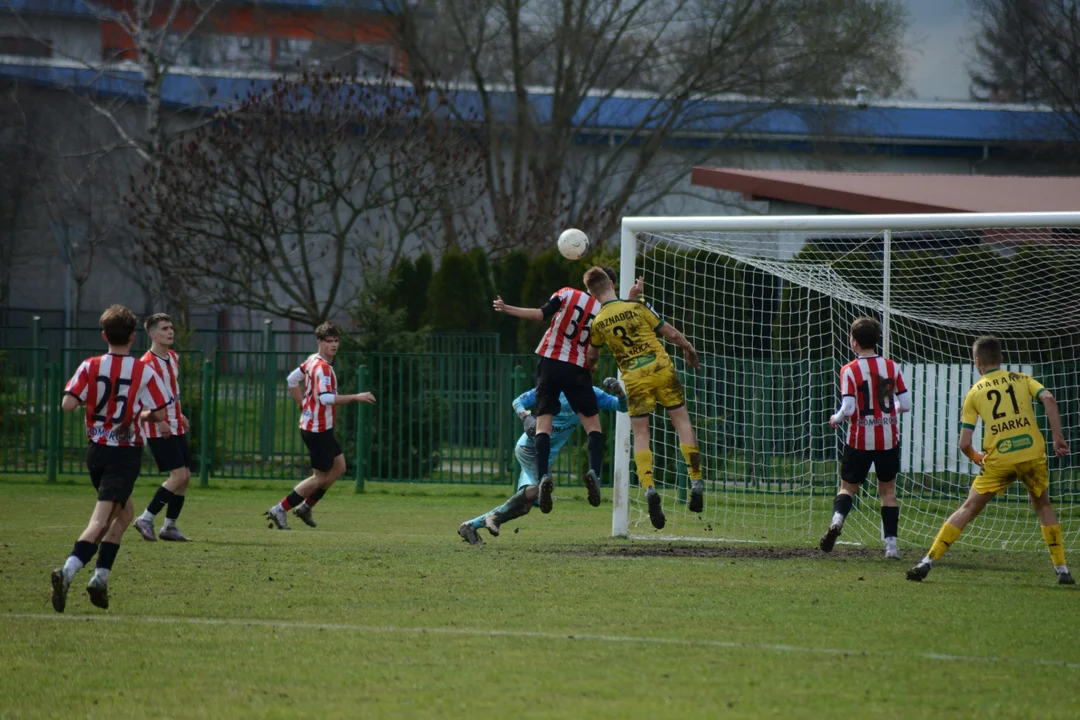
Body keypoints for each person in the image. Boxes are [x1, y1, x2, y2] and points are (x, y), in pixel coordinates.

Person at [907, 335, 1073, 584]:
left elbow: (964, 443)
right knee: (1043, 507)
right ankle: (1062, 570)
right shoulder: (1022, 379)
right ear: (1001, 359)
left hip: (999, 459)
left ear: (977, 362)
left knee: (968, 508)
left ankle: (928, 561)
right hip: (1031, 453)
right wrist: (1057, 437)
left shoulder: (974, 393)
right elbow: (1048, 399)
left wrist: (976, 457)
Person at [51, 305, 171, 612]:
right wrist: (144, 415)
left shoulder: (89, 365)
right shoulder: (143, 371)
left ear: (104, 335)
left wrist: (95, 403)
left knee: (125, 513)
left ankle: (100, 579)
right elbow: (158, 410)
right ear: (133, 337)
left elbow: (67, 404)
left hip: (96, 452)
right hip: (124, 451)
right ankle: (68, 571)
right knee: (101, 521)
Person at [583, 266, 703, 530]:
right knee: (682, 422)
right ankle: (695, 479)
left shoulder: (598, 323)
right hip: (661, 369)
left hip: (634, 378)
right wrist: (687, 347)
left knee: (640, 434)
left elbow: (592, 357)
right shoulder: (638, 307)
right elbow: (669, 332)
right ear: (611, 285)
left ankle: (649, 487)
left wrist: (589, 366)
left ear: (591, 294)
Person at [457, 379, 628, 544]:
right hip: (530, 448)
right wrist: (526, 418)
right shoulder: (551, 388)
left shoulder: (591, 393)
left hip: (547, 455)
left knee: (525, 506)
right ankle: (493, 517)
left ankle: (471, 525)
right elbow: (518, 401)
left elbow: (621, 406)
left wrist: (620, 393)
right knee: (539, 489)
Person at [492, 272, 608, 515]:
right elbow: (595, 350)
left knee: (543, 425)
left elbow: (538, 314)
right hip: (578, 368)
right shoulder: (603, 311)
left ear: (586, 284)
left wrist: (506, 308)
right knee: (593, 427)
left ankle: (544, 477)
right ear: (609, 285)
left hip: (551, 363)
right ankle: (594, 473)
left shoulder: (566, 294)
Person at [265, 322, 376, 530]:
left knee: (339, 467)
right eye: (329, 341)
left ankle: (306, 507)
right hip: (318, 430)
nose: (334, 345)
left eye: (336, 341)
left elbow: (291, 380)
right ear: (319, 342)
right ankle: (280, 508)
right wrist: (356, 397)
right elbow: (326, 399)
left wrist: (301, 404)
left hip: (317, 427)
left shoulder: (312, 361)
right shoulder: (323, 368)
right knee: (320, 477)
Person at [820, 317, 911, 557]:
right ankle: (891, 547)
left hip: (859, 440)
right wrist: (890, 411)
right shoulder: (891, 367)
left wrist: (835, 419)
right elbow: (907, 404)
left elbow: (848, 408)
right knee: (888, 492)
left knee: (848, 488)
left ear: (854, 342)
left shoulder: (849, 369)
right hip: (888, 439)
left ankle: (837, 521)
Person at [132, 313, 193, 542]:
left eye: (171, 328)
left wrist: (180, 413)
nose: (171, 332)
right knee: (178, 475)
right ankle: (145, 518)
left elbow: (171, 392)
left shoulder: (173, 357)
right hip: (159, 428)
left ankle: (169, 527)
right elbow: (142, 399)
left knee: (185, 477)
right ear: (153, 334)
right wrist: (160, 420)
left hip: (175, 424)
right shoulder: (145, 364)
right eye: (165, 328)